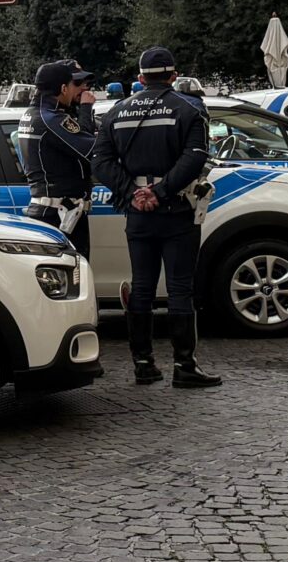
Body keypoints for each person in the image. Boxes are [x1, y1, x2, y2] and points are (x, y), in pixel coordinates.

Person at [93, 46, 220, 389]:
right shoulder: (189, 108)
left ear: (140, 78)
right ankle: (184, 366)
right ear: (174, 76)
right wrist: (161, 192)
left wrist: (134, 192)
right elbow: (195, 158)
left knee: (142, 287)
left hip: (137, 212)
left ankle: (144, 364)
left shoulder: (116, 112)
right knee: (180, 288)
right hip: (176, 208)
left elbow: (101, 162)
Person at [15, 59, 96, 259]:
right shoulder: (51, 118)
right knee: (70, 278)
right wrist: (85, 109)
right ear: (63, 88)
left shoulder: (31, 114)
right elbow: (90, 149)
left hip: (50, 210)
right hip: (59, 216)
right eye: (73, 85)